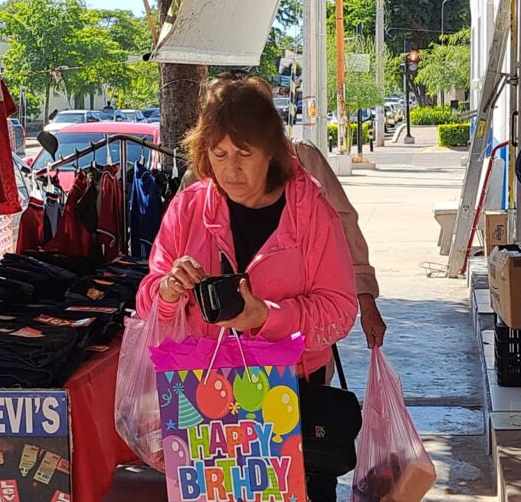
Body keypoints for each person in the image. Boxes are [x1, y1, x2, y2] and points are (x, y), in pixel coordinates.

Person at [136, 73, 359, 502]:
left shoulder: (309, 211)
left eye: (244, 153)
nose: (231, 169)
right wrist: (167, 292)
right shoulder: (188, 208)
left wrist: (267, 318)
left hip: (292, 399)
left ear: (270, 152)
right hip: (204, 409)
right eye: (218, 154)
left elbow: (338, 311)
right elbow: (149, 302)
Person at [180, 72, 387, 348]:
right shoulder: (198, 177)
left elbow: (344, 226)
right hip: (219, 352)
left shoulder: (302, 158)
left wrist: (366, 301)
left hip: (297, 349)